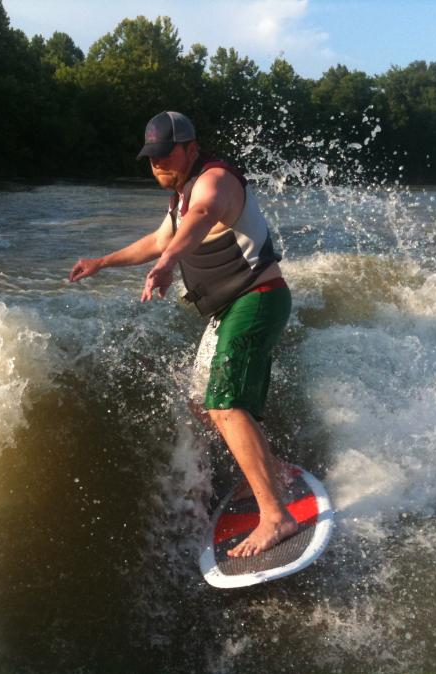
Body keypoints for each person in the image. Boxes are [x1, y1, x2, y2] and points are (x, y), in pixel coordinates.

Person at [69, 111, 297, 557]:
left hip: (258, 298)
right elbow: (159, 240)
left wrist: (169, 262)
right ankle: (276, 471)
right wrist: (103, 262)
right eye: (152, 157)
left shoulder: (215, 181)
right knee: (202, 403)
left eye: (166, 154)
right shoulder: (179, 199)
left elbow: (202, 216)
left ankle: (276, 516)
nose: (158, 164)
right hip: (229, 309)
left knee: (225, 403)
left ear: (191, 149)